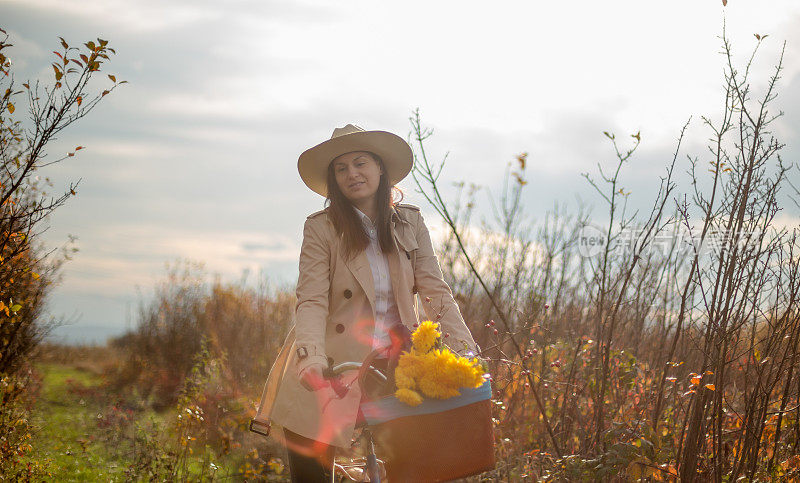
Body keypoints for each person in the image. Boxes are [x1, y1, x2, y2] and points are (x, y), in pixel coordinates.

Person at [253, 123, 480, 482]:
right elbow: (310, 300)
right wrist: (310, 357)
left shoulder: (410, 223)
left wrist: (467, 351)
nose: (352, 174)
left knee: (420, 467)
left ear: (379, 168)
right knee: (310, 468)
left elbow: (436, 292)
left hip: (395, 362)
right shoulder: (321, 228)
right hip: (330, 361)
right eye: (341, 169)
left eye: (360, 163)